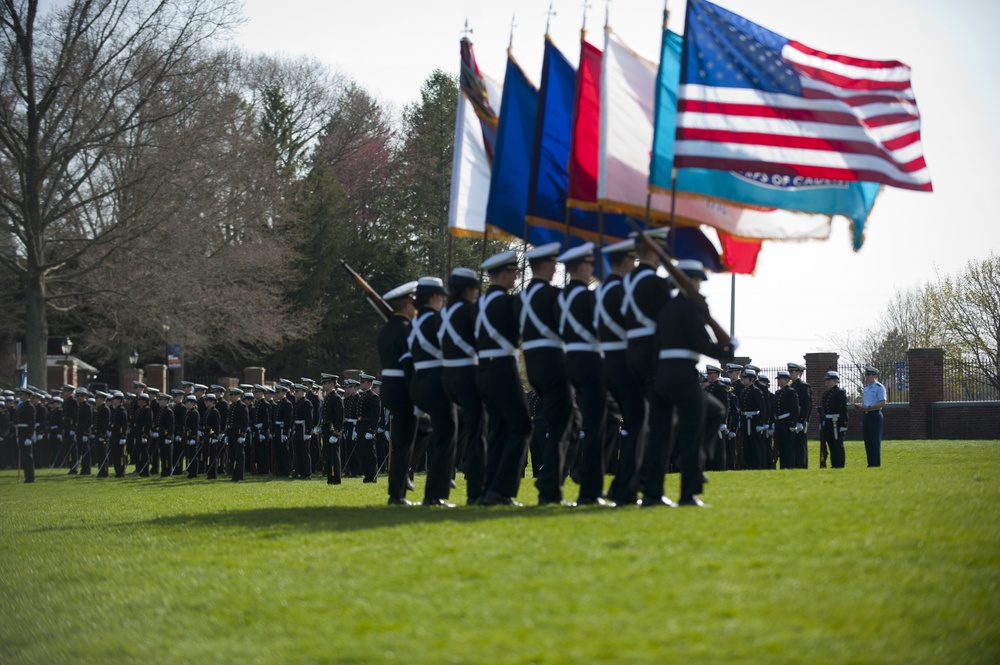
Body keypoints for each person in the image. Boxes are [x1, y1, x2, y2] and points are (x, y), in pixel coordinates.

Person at [646, 260, 735, 507]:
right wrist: (727, 348)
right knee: (696, 430)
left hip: (662, 376)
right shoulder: (691, 308)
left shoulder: (665, 308)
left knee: (660, 435)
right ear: (693, 281)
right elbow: (701, 343)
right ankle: (688, 493)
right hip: (683, 375)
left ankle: (652, 494)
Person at [519, 242, 576, 506]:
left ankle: (554, 478)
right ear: (545, 266)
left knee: (561, 424)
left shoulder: (521, 297)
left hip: (533, 366)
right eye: (553, 264)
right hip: (554, 363)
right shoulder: (553, 296)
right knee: (561, 428)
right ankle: (550, 486)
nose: (555, 268)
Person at [556, 242, 611, 506]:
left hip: (569, 359)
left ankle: (580, 471)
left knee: (597, 421)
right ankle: (590, 490)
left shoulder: (560, 298)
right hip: (590, 360)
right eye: (589, 263)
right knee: (597, 426)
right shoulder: (589, 297)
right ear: (581, 267)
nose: (592, 267)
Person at [475, 250, 532, 507]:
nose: (515, 278)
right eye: (513, 273)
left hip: (482, 369)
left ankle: (489, 489)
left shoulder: (478, 305)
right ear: (505, 274)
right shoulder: (509, 303)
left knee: (497, 430)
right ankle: (502, 489)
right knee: (521, 426)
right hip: (503, 366)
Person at [439, 267, 486, 505]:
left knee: (447, 435)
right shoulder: (471, 311)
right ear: (468, 290)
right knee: (478, 434)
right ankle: (475, 492)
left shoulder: (444, 313)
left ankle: (438, 490)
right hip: (469, 374)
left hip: (447, 376)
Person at [376, 280, 420, 505]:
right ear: (407, 305)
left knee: (410, 437)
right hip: (403, 388)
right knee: (406, 442)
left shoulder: (385, 330)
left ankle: (401, 483)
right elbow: (409, 364)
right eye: (414, 302)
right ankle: (398, 492)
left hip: (389, 387)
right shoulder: (406, 329)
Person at [819, 371, 849, 468]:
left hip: (837, 422)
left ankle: (839, 464)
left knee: (837, 445)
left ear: (835, 381)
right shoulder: (826, 394)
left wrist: (844, 424)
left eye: (829, 380)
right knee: (830, 444)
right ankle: (833, 464)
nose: (826, 382)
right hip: (828, 422)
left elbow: (843, 410)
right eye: (826, 380)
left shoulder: (839, 393)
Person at [858, 366, 886, 467]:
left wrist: (869, 407)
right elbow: (866, 402)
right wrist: (861, 406)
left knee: (874, 440)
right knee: (868, 440)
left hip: (875, 414)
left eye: (869, 375)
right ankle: (870, 462)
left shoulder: (879, 387)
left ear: (875, 376)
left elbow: (883, 402)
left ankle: (875, 463)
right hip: (866, 415)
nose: (867, 377)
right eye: (866, 375)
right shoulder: (866, 388)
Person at [772, 371, 801, 470]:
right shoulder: (778, 392)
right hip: (779, 422)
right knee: (781, 447)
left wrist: (793, 424)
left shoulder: (791, 392)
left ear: (786, 380)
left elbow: (794, 409)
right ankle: (783, 466)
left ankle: (790, 466)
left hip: (787, 422)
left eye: (780, 379)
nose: (778, 382)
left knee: (788, 447)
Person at [319, 374, 344, 485]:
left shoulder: (336, 398)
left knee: (334, 456)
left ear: (332, 384)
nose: (324, 385)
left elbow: (339, 418)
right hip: (326, 429)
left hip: (332, 430)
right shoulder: (328, 397)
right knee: (328, 456)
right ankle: (330, 478)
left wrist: (336, 433)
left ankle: (335, 478)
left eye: (326, 383)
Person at [788, 362, 812, 468]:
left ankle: (801, 466)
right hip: (791, 419)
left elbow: (806, 405)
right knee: (793, 445)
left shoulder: (803, 386)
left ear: (799, 372)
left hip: (799, 421)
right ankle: (794, 465)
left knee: (800, 445)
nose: (790, 374)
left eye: (792, 372)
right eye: (789, 372)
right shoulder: (790, 386)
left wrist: (802, 421)